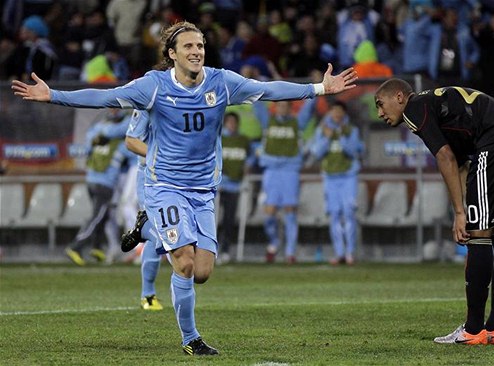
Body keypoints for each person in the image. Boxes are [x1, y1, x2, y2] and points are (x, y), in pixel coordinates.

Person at [12, 21, 357, 356]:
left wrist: (320, 89)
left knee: (203, 272)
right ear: (172, 53)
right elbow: (106, 96)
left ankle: (147, 229)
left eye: (201, 46)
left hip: (204, 190)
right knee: (185, 263)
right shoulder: (154, 86)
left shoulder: (222, 83)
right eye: (189, 46)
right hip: (166, 187)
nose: (197, 51)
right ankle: (191, 339)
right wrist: (53, 95)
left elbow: (267, 90)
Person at [374, 79, 494, 345]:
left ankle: (473, 330)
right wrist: (462, 210)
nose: (380, 113)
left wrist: (461, 213)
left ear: (400, 97)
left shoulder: (415, 108)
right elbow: (460, 163)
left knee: (479, 232)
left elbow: (445, 157)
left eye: (381, 104)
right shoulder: (440, 106)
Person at [65, 109, 133, 265]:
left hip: (91, 179)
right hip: (105, 183)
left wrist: (101, 134)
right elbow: (132, 149)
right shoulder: (122, 142)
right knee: (97, 217)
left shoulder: (96, 132)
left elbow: (88, 147)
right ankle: (76, 246)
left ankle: (96, 248)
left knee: (104, 216)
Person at [254, 97, 317, 264]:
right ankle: (274, 243)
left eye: (285, 106)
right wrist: (251, 80)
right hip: (272, 171)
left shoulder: (297, 123)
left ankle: (290, 252)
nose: (282, 109)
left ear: (290, 108)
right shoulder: (268, 121)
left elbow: (308, 110)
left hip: (290, 171)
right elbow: (257, 106)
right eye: (279, 106)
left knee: (290, 211)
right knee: (269, 212)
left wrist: (316, 91)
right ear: (276, 108)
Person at [310, 101, 364, 265]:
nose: (337, 115)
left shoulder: (351, 130)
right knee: (334, 214)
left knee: (348, 213)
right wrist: (326, 138)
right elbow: (316, 153)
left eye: (339, 112)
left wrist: (339, 135)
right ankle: (339, 253)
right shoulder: (323, 130)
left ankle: (350, 253)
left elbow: (353, 151)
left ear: (344, 114)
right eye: (334, 112)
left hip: (348, 176)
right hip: (330, 177)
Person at [123, 109, 165, 310]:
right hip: (150, 175)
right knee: (157, 235)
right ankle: (147, 295)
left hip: (180, 177)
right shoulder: (147, 102)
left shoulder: (185, 100)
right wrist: (162, 157)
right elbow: (131, 141)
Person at [217, 111, 254, 263]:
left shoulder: (243, 140)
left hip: (234, 185)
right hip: (218, 185)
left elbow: (251, 158)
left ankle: (225, 249)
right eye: (229, 122)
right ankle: (209, 249)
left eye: (234, 122)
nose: (231, 125)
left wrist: (248, 166)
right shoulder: (219, 139)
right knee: (213, 219)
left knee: (229, 219)